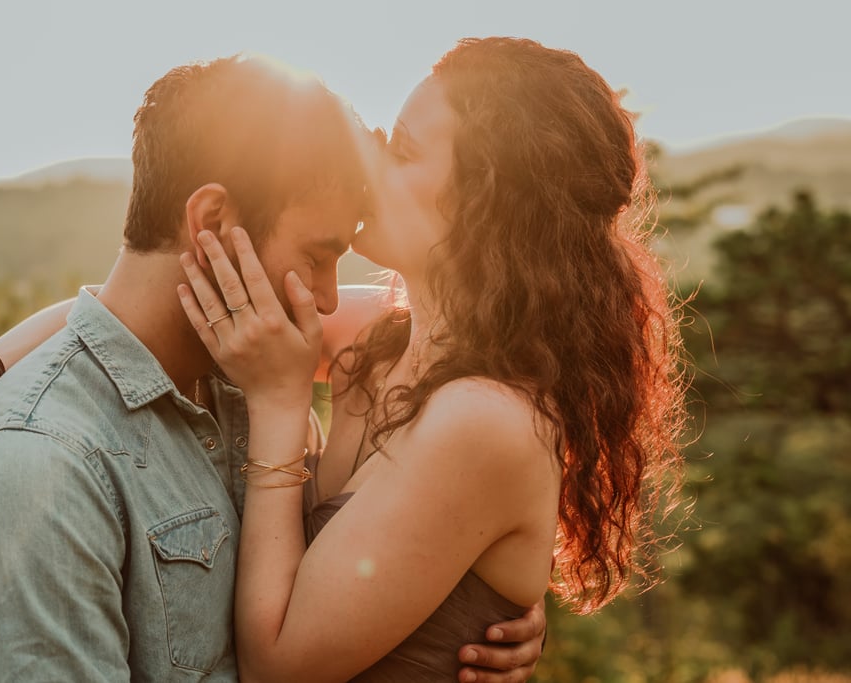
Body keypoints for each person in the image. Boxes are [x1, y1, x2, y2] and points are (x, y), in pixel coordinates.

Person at [0, 52, 546, 682]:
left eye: (404, 150)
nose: (328, 295)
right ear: (212, 221)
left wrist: (457, 611)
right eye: (316, 257)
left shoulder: (272, 365)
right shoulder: (40, 469)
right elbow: (110, 314)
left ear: (485, 196)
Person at [172, 36, 688, 681]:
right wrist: (0, 367)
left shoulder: (484, 421)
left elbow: (277, 668)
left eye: (404, 152)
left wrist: (280, 405)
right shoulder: (381, 340)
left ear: (490, 202)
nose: (370, 167)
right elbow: (146, 308)